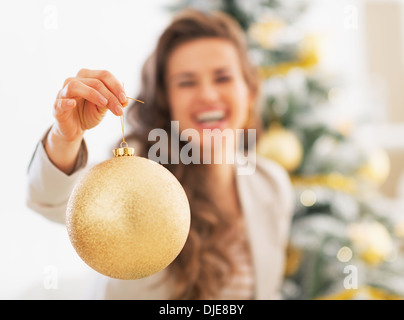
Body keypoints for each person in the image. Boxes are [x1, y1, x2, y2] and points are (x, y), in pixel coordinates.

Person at [26, 9, 294, 300]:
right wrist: (66, 136)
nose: (207, 95)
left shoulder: (271, 182)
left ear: (250, 91)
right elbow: (50, 202)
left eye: (223, 77)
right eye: (186, 82)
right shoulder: (137, 171)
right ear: (167, 101)